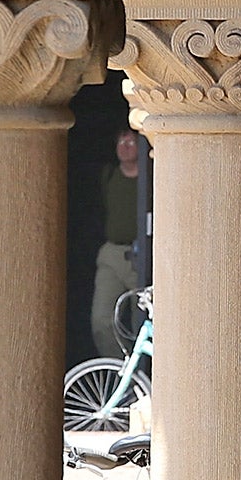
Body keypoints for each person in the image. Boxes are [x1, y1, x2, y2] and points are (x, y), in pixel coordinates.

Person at [91, 129, 143, 357]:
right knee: (102, 320)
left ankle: (144, 376)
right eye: (121, 141)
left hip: (141, 255)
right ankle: (120, 370)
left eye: (131, 141)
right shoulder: (109, 175)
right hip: (113, 254)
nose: (125, 146)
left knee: (140, 322)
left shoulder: (149, 178)